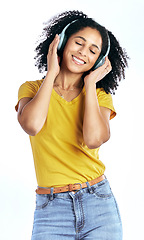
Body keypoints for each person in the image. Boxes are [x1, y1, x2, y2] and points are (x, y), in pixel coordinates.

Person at [15, 10, 128, 240]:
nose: (83, 53)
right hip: (51, 209)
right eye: (79, 43)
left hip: (98, 202)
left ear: (98, 61)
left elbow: (93, 139)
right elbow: (32, 125)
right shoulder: (31, 89)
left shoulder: (99, 96)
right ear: (63, 42)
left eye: (93, 51)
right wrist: (52, 73)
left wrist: (90, 85)